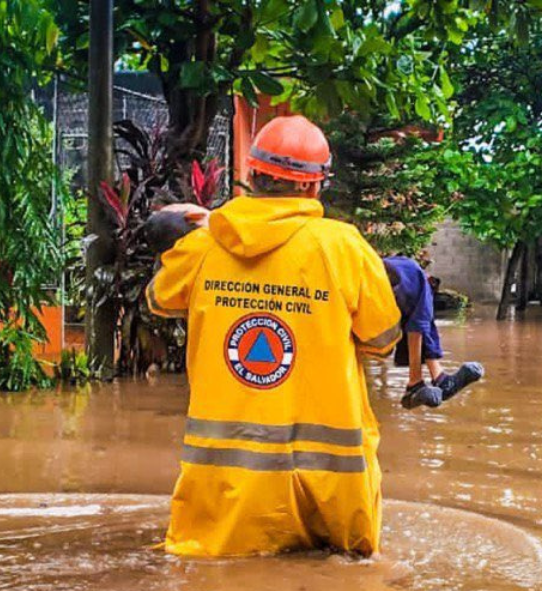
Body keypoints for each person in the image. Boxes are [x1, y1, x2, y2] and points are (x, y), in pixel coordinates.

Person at [146, 115, 402, 558]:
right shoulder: (344, 247)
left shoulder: (205, 243)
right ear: (313, 186)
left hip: (227, 493)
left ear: (252, 175)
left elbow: (160, 300)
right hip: (332, 487)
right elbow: (382, 340)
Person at [381, 252, 484, 409]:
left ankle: (433, 379)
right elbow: (417, 329)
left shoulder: (407, 273)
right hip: (378, 287)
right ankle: (430, 380)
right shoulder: (413, 274)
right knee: (420, 311)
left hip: (360, 292)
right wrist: (415, 378)